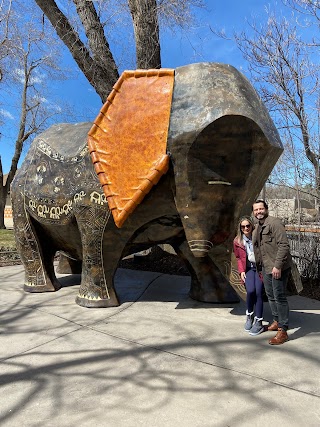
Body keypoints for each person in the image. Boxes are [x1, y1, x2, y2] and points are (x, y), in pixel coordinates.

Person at [252, 199, 292, 345]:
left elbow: (284, 245)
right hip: (266, 267)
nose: (258, 212)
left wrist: (278, 266)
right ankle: (276, 321)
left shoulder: (275, 223)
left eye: (261, 209)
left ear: (266, 209)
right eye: (256, 210)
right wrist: (259, 268)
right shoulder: (257, 227)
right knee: (270, 296)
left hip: (277, 267)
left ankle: (283, 330)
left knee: (279, 296)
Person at [233, 215, 265, 336]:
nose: (246, 228)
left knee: (258, 292)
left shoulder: (258, 237)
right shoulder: (237, 241)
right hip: (248, 269)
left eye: (248, 226)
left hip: (259, 269)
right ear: (240, 228)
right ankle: (249, 315)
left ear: (252, 226)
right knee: (250, 291)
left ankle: (259, 321)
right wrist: (241, 271)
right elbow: (238, 257)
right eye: (243, 227)